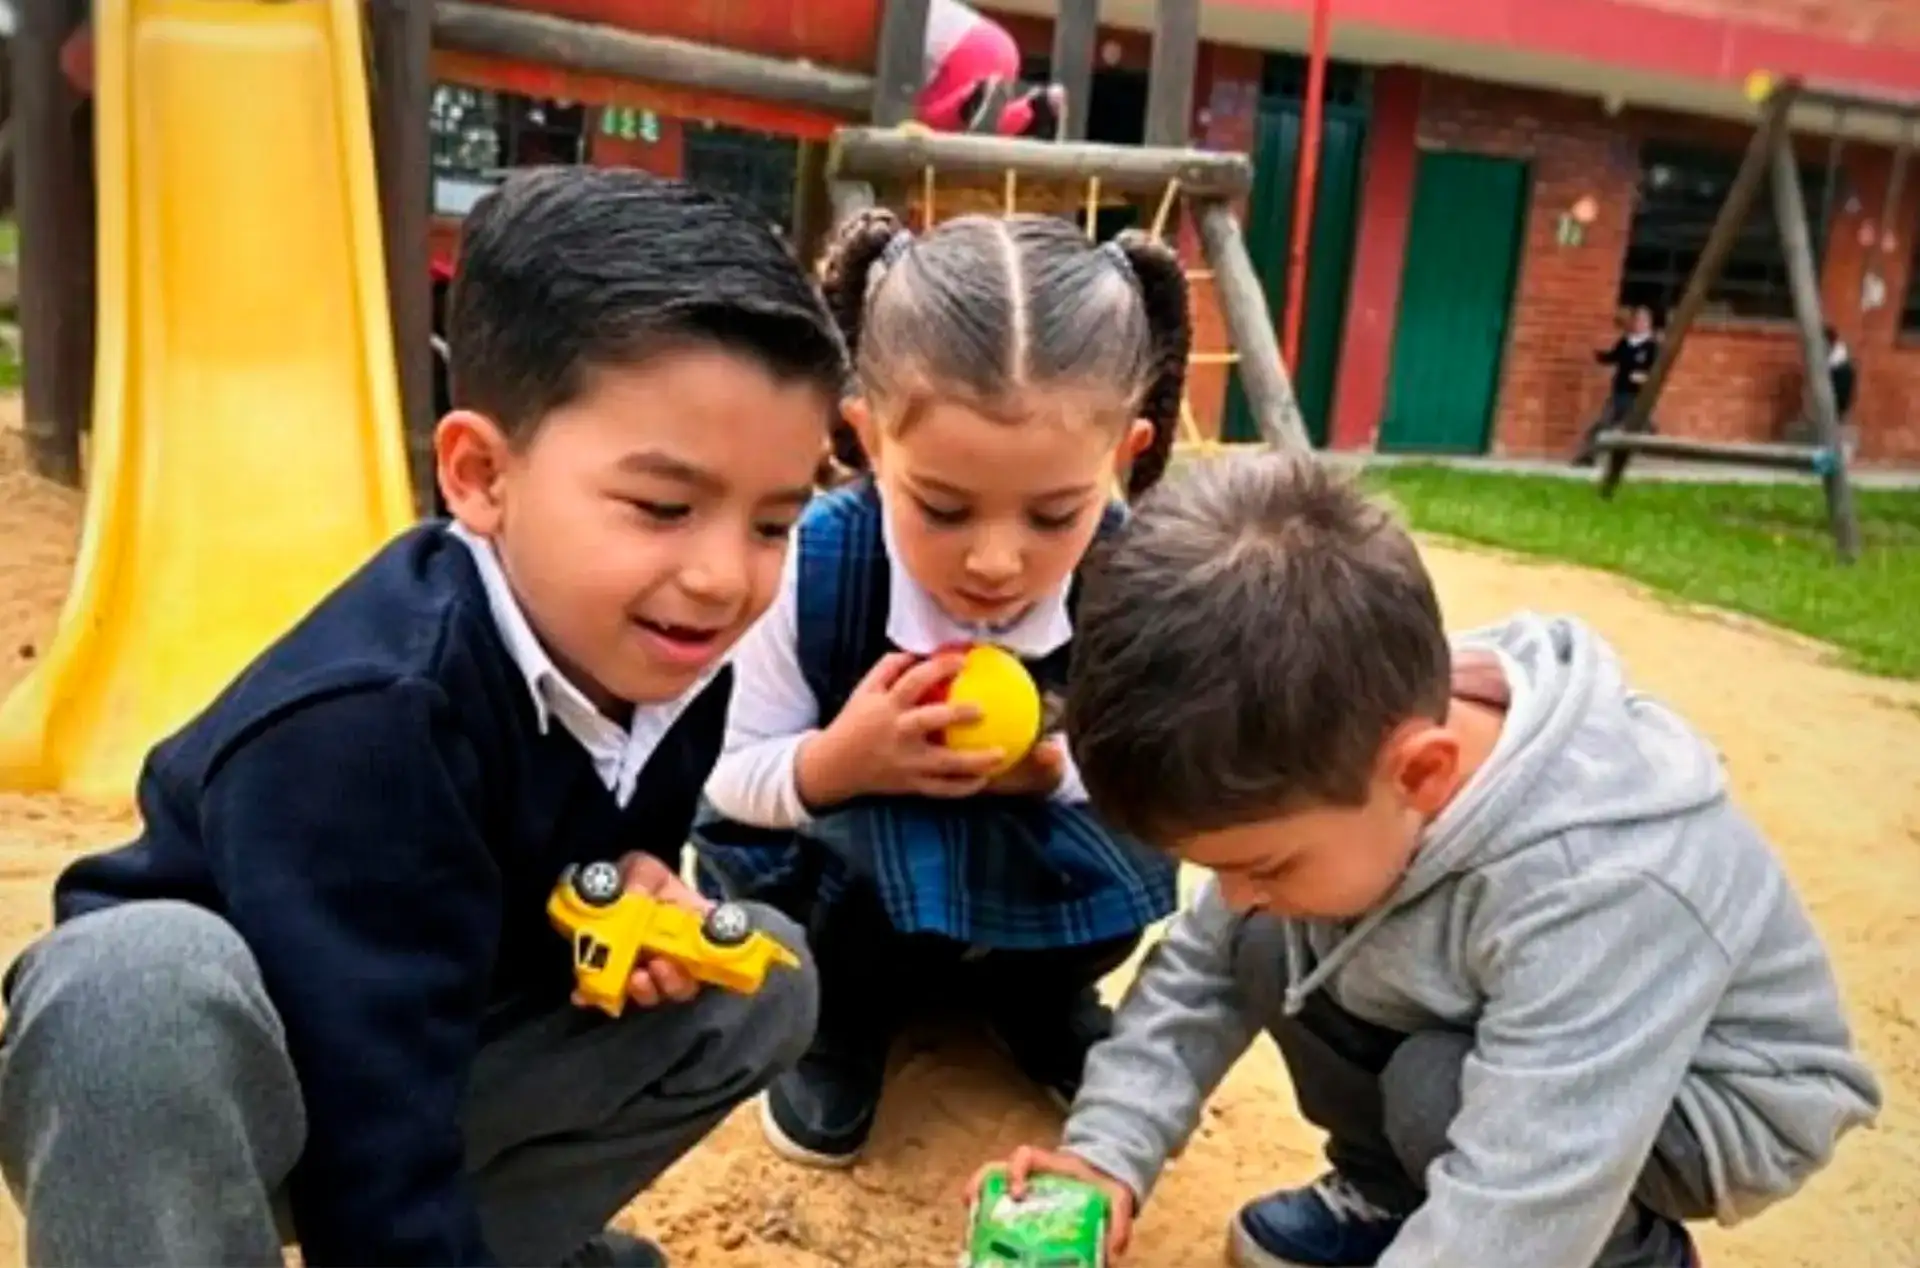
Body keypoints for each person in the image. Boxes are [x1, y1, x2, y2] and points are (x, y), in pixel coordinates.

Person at [0, 168, 846, 1268]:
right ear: (482, 474)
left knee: (760, 970)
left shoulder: (666, 659)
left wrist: (617, 900)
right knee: (132, 986)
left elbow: (515, 894)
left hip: (424, 1035)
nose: (722, 576)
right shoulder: (373, 717)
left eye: (774, 523)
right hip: (204, 1102)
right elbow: (369, 1102)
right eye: (663, 507)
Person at [982, 451, 1881, 1268]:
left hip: (1702, 1101)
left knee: (1432, 1091)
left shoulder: (1602, 878)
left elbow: (1528, 1190)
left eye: (1260, 863)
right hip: (1500, 1007)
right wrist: (1103, 1156)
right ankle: (1391, 1193)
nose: (1236, 893)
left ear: (1423, 770)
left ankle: (1629, 1257)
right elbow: (1203, 971)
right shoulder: (1339, 753)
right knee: (1260, 945)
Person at [693, 208, 1192, 1168]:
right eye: (943, 507)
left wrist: (1054, 776)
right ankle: (837, 1027)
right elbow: (724, 778)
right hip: (836, 857)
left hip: (1019, 835)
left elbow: (1159, 774)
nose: (998, 561)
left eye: (1055, 513)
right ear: (868, 440)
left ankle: (1036, 997)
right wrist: (846, 761)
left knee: (1129, 861)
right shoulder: (814, 567)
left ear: (1123, 460)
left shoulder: (1129, 583)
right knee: (866, 893)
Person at [921, 0, 1067, 139]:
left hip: (962, 54)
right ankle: (1035, 109)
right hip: (996, 41)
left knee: (917, 130)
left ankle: (972, 101)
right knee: (965, 130)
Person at [1574, 304, 1660, 466]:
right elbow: (1614, 357)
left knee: (1642, 427)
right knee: (1604, 423)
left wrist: (1645, 377)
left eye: (1645, 320)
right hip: (1620, 391)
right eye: (1638, 320)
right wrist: (1596, 355)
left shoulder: (1652, 346)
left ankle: (1653, 451)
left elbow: (1656, 370)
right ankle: (1588, 456)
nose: (1641, 323)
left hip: (1638, 395)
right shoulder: (1626, 342)